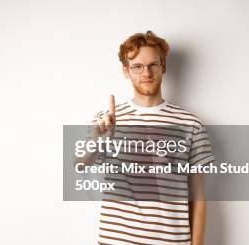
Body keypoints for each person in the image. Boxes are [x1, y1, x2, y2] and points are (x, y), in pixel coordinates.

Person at [82, 31, 213, 245]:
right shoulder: (107, 119)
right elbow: (81, 164)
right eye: (137, 66)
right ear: (126, 70)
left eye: (153, 64)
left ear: (164, 66)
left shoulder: (191, 124)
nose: (147, 73)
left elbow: (198, 196)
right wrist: (96, 140)